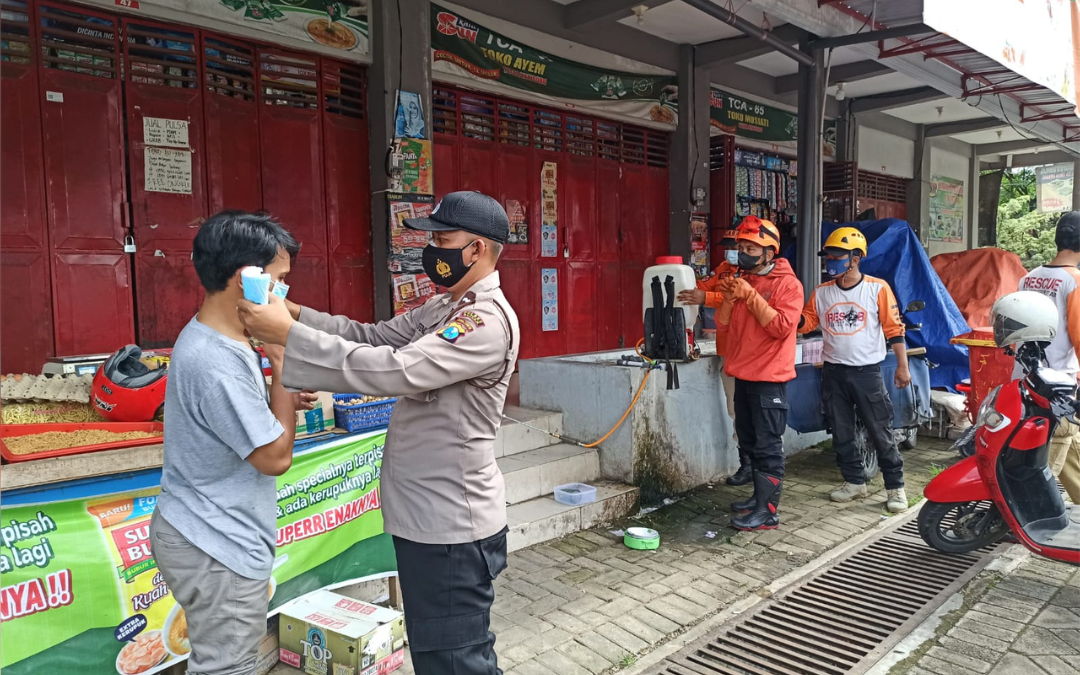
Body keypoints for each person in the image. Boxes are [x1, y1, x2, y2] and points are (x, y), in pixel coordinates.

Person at [237, 191, 520, 675]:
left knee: (456, 662)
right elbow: (372, 337)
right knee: (436, 655)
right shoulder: (445, 307)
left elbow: (396, 369)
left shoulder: (483, 322)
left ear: (476, 249)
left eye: (443, 240)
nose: (432, 250)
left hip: (452, 524)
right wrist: (296, 314)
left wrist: (287, 338)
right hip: (426, 518)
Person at [149, 211, 316, 675]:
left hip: (209, 529)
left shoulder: (226, 337)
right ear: (248, 279)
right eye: (278, 281)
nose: (284, 294)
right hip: (215, 540)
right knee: (229, 666)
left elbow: (244, 425)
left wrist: (278, 395)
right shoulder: (215, 359)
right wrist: (284, 362)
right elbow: (274, 457)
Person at [798, 227, 911, 513]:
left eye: (837, 255)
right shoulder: (822, 292)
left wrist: (902, 367)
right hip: (833, 372)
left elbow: (894, 330)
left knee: (880, 430)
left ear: (856, 258)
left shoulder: (877, 288)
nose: (831, 260)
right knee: (841, 430)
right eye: (828, 255)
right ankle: (854, 481)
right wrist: (783, 316)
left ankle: (895, 488)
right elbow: (807, 322)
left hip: (867, 373)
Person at [716, 216, 803, 531]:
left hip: (769, 379)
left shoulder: (787, 285)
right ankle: (757, 499)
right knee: (751, 441)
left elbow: (780, 327)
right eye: (740, 246)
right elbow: (724, 325)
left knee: (767, 445)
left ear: (769, 251)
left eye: (750, 246)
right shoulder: (745, 281)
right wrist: (728, 296)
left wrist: (750, 297)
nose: (742, 251)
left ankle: (768, 511)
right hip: (743, 375)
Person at [677, 227, 750, 486]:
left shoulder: (756, 275)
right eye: (730, 246)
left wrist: (706, 297)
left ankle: (764, 467)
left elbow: (738, 299)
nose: (732, 251)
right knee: (735, 410)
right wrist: (681, 282)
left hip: (753, 355)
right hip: (729, 352)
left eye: (738, 246)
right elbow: (701, 287)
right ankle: (747, 464)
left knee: (758, 414)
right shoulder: (722, 269)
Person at [1017, 211, 1080, 505]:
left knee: (1066, 442)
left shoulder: (1028, 278)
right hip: (1058, 386)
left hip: (1026, 380)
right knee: (1057, 442)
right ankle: (1036, 509)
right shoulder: (1074, 280)